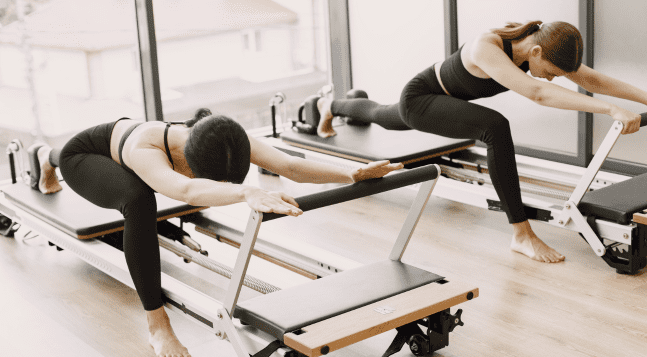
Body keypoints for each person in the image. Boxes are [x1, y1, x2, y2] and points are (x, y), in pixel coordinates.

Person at [30, 108, 402, 357]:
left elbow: (289, 165)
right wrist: (245, 192)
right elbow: (187, 191)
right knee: (139, 201)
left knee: (163, 194)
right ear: (188, 163)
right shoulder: (147, 149)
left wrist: (351, 172)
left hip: (123, 141)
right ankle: (157, 326)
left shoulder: (224, 136)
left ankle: (43, 155)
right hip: (86, 155)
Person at [316, 20, 647, 264]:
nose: (553, 78)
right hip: (421, 97)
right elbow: (538, 93)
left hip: (440, 98)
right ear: (535, 53)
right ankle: (521, 234)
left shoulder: (539, 43)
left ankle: (329, 105)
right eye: (552, 71)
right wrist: (611, 109)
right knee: (494, 127)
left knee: (382, 114)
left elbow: (591, 78)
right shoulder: (488, 46)